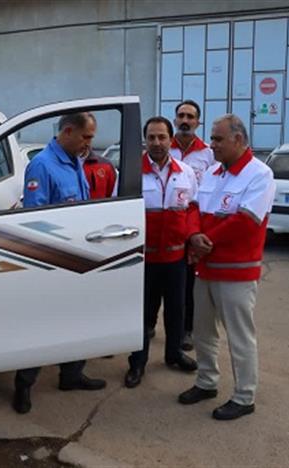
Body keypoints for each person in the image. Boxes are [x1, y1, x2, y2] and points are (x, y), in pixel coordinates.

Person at [178, 114, 275, 421]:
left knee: (239, 336)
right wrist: (193, 235)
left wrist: (205, 240)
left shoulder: (260, 174)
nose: (212, 144)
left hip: (236, 272)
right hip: (205, 268)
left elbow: (246, 221)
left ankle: (244, 396)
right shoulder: (213, 172)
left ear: (238, 139)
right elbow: (193, 208)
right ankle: (206, 382)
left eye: (218, 139)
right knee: (203, 332)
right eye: (212, 138)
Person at [13, 112, 107, 414]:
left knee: (78, 319)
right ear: (67, 131)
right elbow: (34, 221)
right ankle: (24, 384)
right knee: (42, 325)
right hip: (54, 261)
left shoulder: (75, 160)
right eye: (86, 136)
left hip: (80, 257)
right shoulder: (42, 165)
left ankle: (72, 374)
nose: (89, 143)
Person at [124, 116, 199, 389]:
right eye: (151, 137)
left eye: (162, 137)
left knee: (176, 311)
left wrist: (192, 239)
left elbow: (193, 209)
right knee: (143, 314)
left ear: (171, 139)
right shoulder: (131, 172)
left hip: (176, 258)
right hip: (143, 259)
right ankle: (137, 362)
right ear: (145, 140)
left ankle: (174, 354)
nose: (157, 142)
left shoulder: (185, 172)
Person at [169, 100, 215, 352]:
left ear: (198, 122)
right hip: (167, 224)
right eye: (181, 115)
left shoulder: (208, 153)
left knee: (189, 283)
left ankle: (187, 330)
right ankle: (149, 324)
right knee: (158, 279)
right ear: (175, 119)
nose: (185, 120)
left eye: (190, 116)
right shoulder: (163, 147)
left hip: (195, 223)